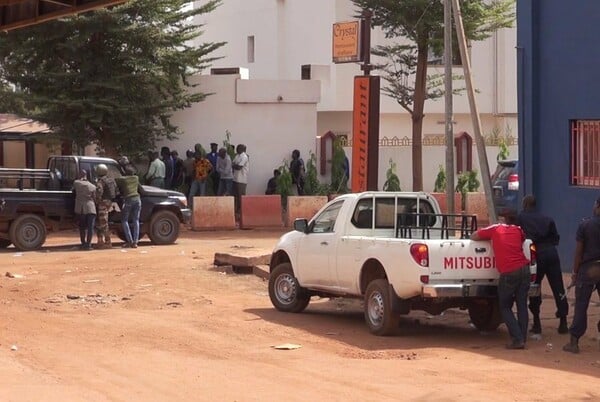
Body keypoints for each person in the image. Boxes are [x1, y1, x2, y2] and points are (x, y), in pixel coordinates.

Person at [470, 213, 531, 349]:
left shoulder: (495, 229)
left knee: (504, 306)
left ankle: (517, 338)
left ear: (502, 220)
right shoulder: (518, 230)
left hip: (509, 272)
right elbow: (522, 240)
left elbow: (474, 236)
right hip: (525, 269)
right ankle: (522, 338)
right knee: (522, 305)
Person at [517, 194, 569, 335]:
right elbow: (555, 238)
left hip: (535, 253)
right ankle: (563, 322)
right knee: (558, 287)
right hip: (551, 253)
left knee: (535, 287)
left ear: (525, 205)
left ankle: (537, 323)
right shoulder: (547, 218)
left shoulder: (521, 217)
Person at [563, 196, 600, 353]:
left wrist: (575, 273)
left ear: (598, 206)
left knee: (581, 304)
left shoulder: (585, 225)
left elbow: (579, 251)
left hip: (588, 268)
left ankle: (574, 341)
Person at [116, 165, 141, 248]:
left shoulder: (123, 179)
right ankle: (135, 241)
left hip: (128, 200)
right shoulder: (136, 178)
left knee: (124, 220)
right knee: (136, 220)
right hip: (137, 200)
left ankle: (129, 241)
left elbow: (116, 180)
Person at [94, 163, 118, 249]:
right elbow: (116, 191)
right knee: (101, 222)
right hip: (109, 202)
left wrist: (97, 201)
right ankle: (100, 241)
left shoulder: (101, 181)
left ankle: (108, 241)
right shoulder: (111, 180)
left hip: (102, 203)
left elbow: (99, 192)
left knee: (103, 223)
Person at [73, 169, 96, 250]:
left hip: (81, 209)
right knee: (90, 228)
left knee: (82, 227)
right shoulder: (92, 186)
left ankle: (83, 243)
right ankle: (88, 244)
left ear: (80, 175)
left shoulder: (76, 183)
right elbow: (95, 198)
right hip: (91, 208)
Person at [232, 144, 249, 217]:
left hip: (242, 180)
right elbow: (232, 164)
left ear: (242, 149)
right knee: (236, 196)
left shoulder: (244, 156)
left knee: (241, 197)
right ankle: (236, 212)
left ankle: (242, 213)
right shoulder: (237, 156)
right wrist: (235, 165)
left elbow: (239, 167)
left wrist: (234, 165)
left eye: (238, 148)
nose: (236, 149)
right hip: (235, 179)